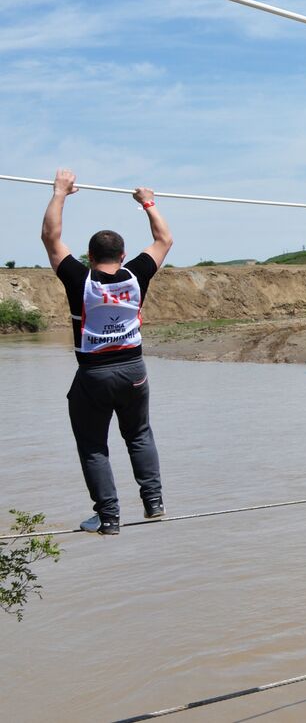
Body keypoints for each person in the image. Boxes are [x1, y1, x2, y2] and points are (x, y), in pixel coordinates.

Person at [40, 169, 173, 536]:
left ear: (88, 255)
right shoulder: (136, 275)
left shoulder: (79, 279)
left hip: (94, 376)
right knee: (140, 434)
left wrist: (60, 193)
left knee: (94, 447)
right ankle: (154, 503)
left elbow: (51, 238)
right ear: (124, 254)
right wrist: (147, 202)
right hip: (134, 371)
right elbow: (164, 239)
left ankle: (109, 517)